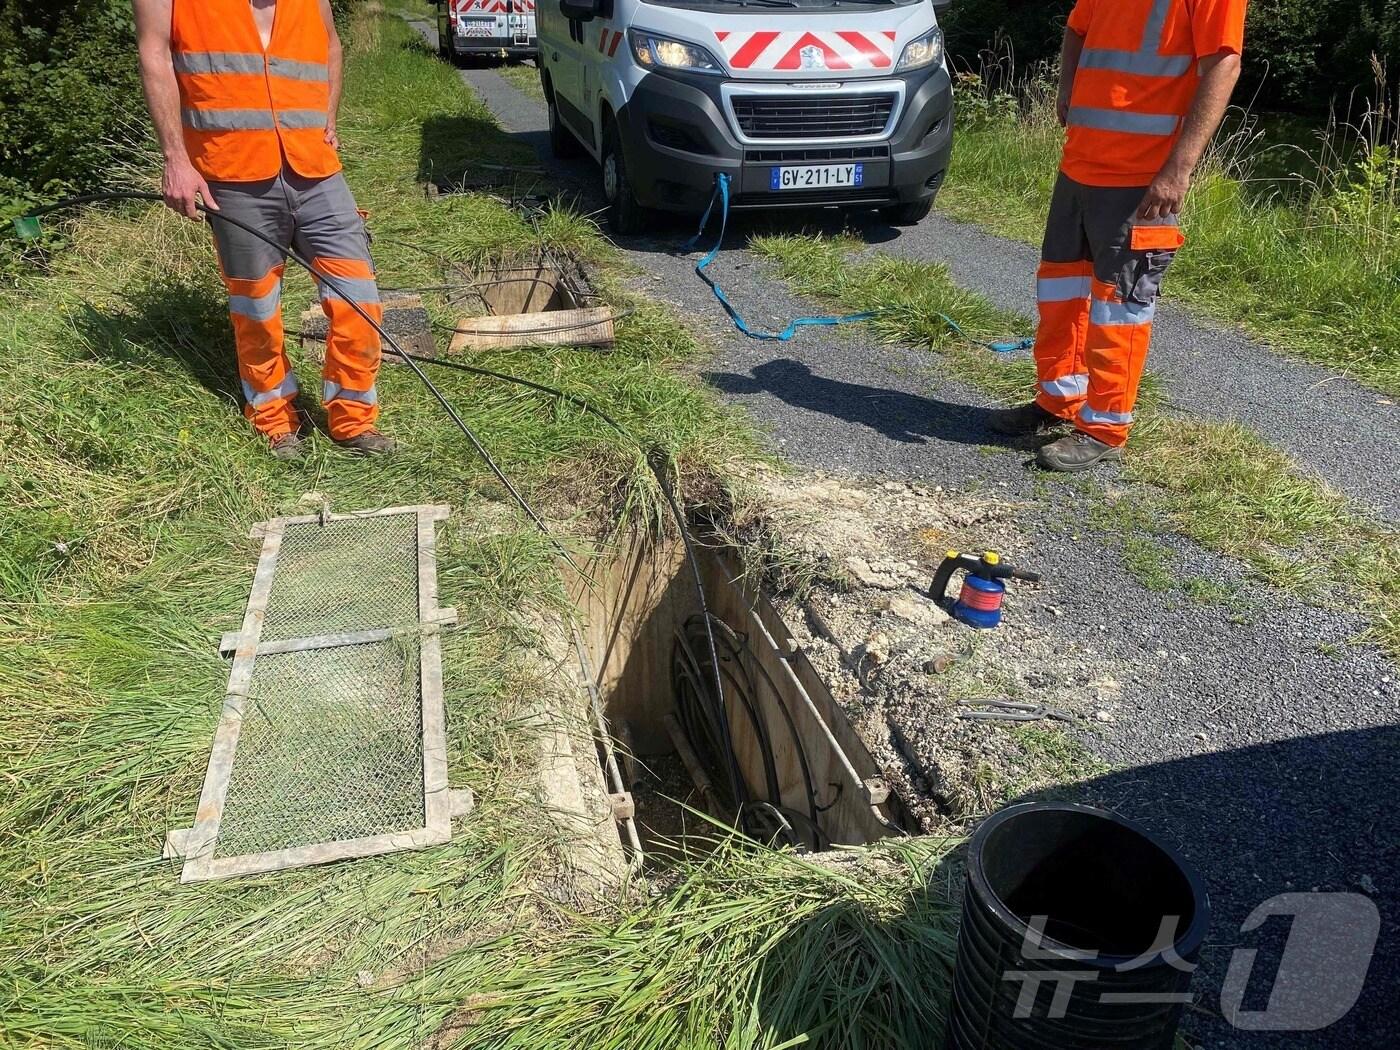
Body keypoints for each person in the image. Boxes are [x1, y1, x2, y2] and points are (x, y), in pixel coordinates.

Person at [987, 0, 1246, 471]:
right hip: (1080, 165)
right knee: (1062, 293)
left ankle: (1105, 426)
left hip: (1142, 179)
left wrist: (1179, 168)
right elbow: (1076, 28)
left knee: (1119, 306)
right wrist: (1066, 86)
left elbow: (1224, 64)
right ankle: (1058, 400)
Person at [133, 0, 393, 459]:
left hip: (316, 168)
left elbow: (331, 45)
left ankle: (353, 421)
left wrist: (328, 114)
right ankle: (275, 421)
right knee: (256, 311)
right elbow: (155, 54)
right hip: (232, 173)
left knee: (360, 300)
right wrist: (176, 158)